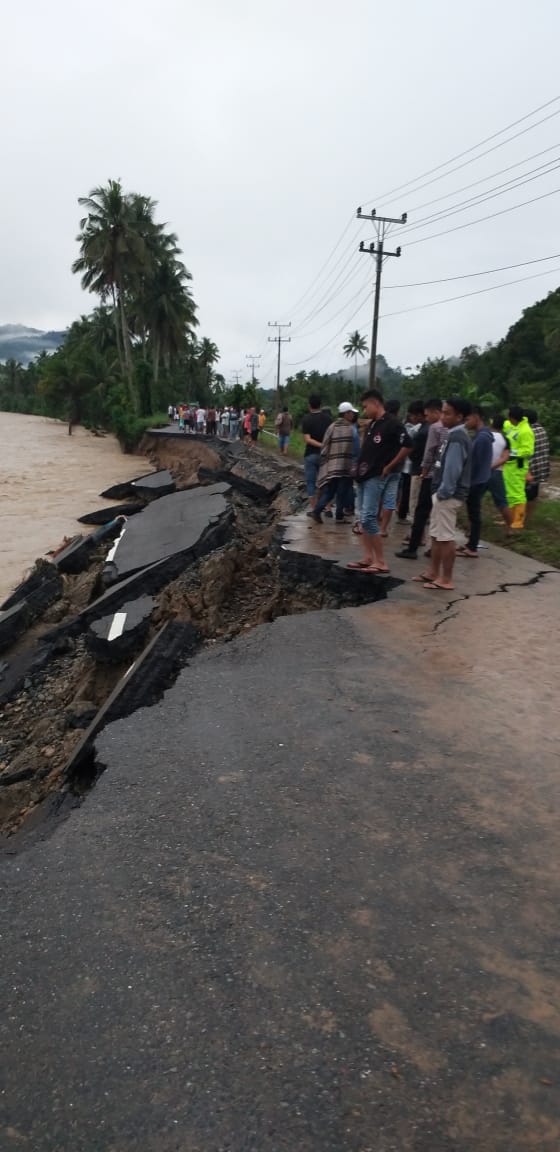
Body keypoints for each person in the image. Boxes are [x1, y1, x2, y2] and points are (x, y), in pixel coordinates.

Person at [347, 389, 411, 574]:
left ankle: (381, 561)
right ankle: (368, 557)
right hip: (363, 475)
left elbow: (408, 445)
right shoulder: (374, 424)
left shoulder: (393, 424)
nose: (365, 410)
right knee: (363, 518)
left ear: (375, 403)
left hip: (376, 475)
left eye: (366, 406)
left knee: (369, 516)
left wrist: (389, 466)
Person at [417, 397, 472, 591]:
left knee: (445, 538)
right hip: (442, 492)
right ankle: (433, 572)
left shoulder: (458, 438)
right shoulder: (452, 434)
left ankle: (446, 579)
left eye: (448, 413)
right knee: (436, 534)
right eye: (443, 412)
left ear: (460, 416)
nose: (443, 416)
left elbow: (453, 469)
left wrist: (443, 493)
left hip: (448, 494)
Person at [395, 400, 445, 561]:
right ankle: (434, 546)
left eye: (428, 413)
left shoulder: (430, 429)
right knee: (435, 513)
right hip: (440, 476)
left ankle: (414, 545)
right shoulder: (447, 429)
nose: (426, 416)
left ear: (436, 412)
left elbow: (427, 453)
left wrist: (423, 471)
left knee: (418, 510)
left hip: (423, 474)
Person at [308, 402, 357, 523]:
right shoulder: (351, 429)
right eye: (351, 413)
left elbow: (324, 446)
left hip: (332, 467)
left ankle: (317, 511)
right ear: (346, 414)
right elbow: (356, 449)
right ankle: (339, 517)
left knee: (330, 491)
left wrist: (327, 463)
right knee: (342, 492)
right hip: (345, 466)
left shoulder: (332, 427)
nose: (352, 415)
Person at [457, 406, 494, 558]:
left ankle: (472, 547)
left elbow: (474, 462)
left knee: (474, 514)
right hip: (480, 478)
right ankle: (470, 543)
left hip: (476, 480)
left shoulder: (482, 438)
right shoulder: (482, 435)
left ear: (476, 417)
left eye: (468, 419)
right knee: (473, 513)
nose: (466, 423)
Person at [503, 406, 535, 530]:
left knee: (517, 494)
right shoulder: (511, 425)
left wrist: (512, 453)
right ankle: (510, 518)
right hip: (509, 465)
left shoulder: (526, 431)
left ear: (513, 418)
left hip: (518, 465)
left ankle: (518, 521)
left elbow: (528, 450)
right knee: (509, 492)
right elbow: (503, 424)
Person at [379, 398, 407, 536]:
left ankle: (376, 524)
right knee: (390, 499)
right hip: (396, 468)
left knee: (377, 496)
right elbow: (407, 445)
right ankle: (383, 529)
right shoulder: (400, 426)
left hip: (383, 467)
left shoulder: (383, 425)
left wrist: (388, 465)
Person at [301, 395, 333, 509]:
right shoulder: (328, 419)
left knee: (311, 483)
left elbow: (307, 439)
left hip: (310, 454)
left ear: (309, 405)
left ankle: (314, 508)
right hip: (325, 455)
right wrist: (324, 446)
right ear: (320, 404)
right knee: (325, 482)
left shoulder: (306, 419)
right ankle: (327, 507)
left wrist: (320, 445)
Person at [397, 400, 425, 522]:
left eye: (412, 415)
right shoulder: (418, 428)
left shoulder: (420, 430)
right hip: (412, 467)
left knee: (411, 495)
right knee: (408, 492)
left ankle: (413, 524)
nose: (411, 418)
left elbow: (412, 448)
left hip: (415, 467)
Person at [485, 415, 512, 531]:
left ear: (491, 424)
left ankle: (471, 529)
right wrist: (493, 466)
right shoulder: (505, 440)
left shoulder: (485, 436)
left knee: (474, 501)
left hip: (482, 472)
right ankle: (511, 528)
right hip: (497, 473)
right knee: (502, 502)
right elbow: (505, 458)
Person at [525, 408, 550, 521]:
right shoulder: (542, 430)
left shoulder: (528, 432)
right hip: (540, 468)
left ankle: (521, 518)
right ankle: (528, 517)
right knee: (533, 495)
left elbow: (526, 454)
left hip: (529, 470)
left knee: (524, 495)